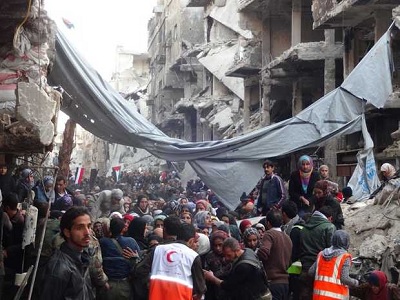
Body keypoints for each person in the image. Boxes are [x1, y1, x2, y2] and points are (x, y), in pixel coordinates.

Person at [134, 221, 206, 300]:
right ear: (191, 240)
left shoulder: (158, 249)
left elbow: (139, 270)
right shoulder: (193, 256)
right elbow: (201, 289)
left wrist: (150, 284)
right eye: (195, 241)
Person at [40, 206, 95, 299]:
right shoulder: (59, 269)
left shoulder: (83, 257)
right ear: (67, 232)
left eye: (89, 226)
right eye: (80, 228)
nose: (87, 232)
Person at [204, 237, 269, 300]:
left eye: (229, 255)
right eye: (225, 255)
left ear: (237, 250)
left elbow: (227, 285)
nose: (226, 258)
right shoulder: (248, 251)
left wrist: (212, 278)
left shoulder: (243, 266)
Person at [298, 206, 336, 300]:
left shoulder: (303, 229)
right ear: (330, 217)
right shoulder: (329, 227)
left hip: (305, 269)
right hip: (322, 271)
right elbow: (332, 251)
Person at [309, 230, 358, 299]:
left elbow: (311, 272)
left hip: (318, 296)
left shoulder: (321, 254)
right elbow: (345, 278)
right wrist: (355, 282)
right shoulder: (345, 257)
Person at [99, 217, 140, 300]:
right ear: (123, 229)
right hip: (125, 285)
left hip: (107, 285)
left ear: (110, 228)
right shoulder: (131, 241)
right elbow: (140, 259)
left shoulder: (102, 242)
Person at [258, 209, 292, 300]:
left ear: (268, 223)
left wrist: (256, 255)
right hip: (285, 283)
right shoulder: (287, 238)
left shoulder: (269, 234)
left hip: (273, 282)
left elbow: (264, 252)